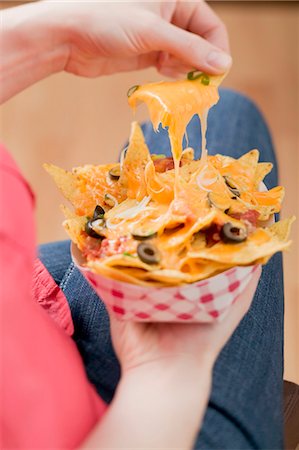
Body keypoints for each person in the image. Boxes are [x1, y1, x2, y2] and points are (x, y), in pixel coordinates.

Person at [0, 1, 284, 449]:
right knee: (231, 113)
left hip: (25, 316)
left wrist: (60, 38)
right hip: (134, 427)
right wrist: (169, 369)